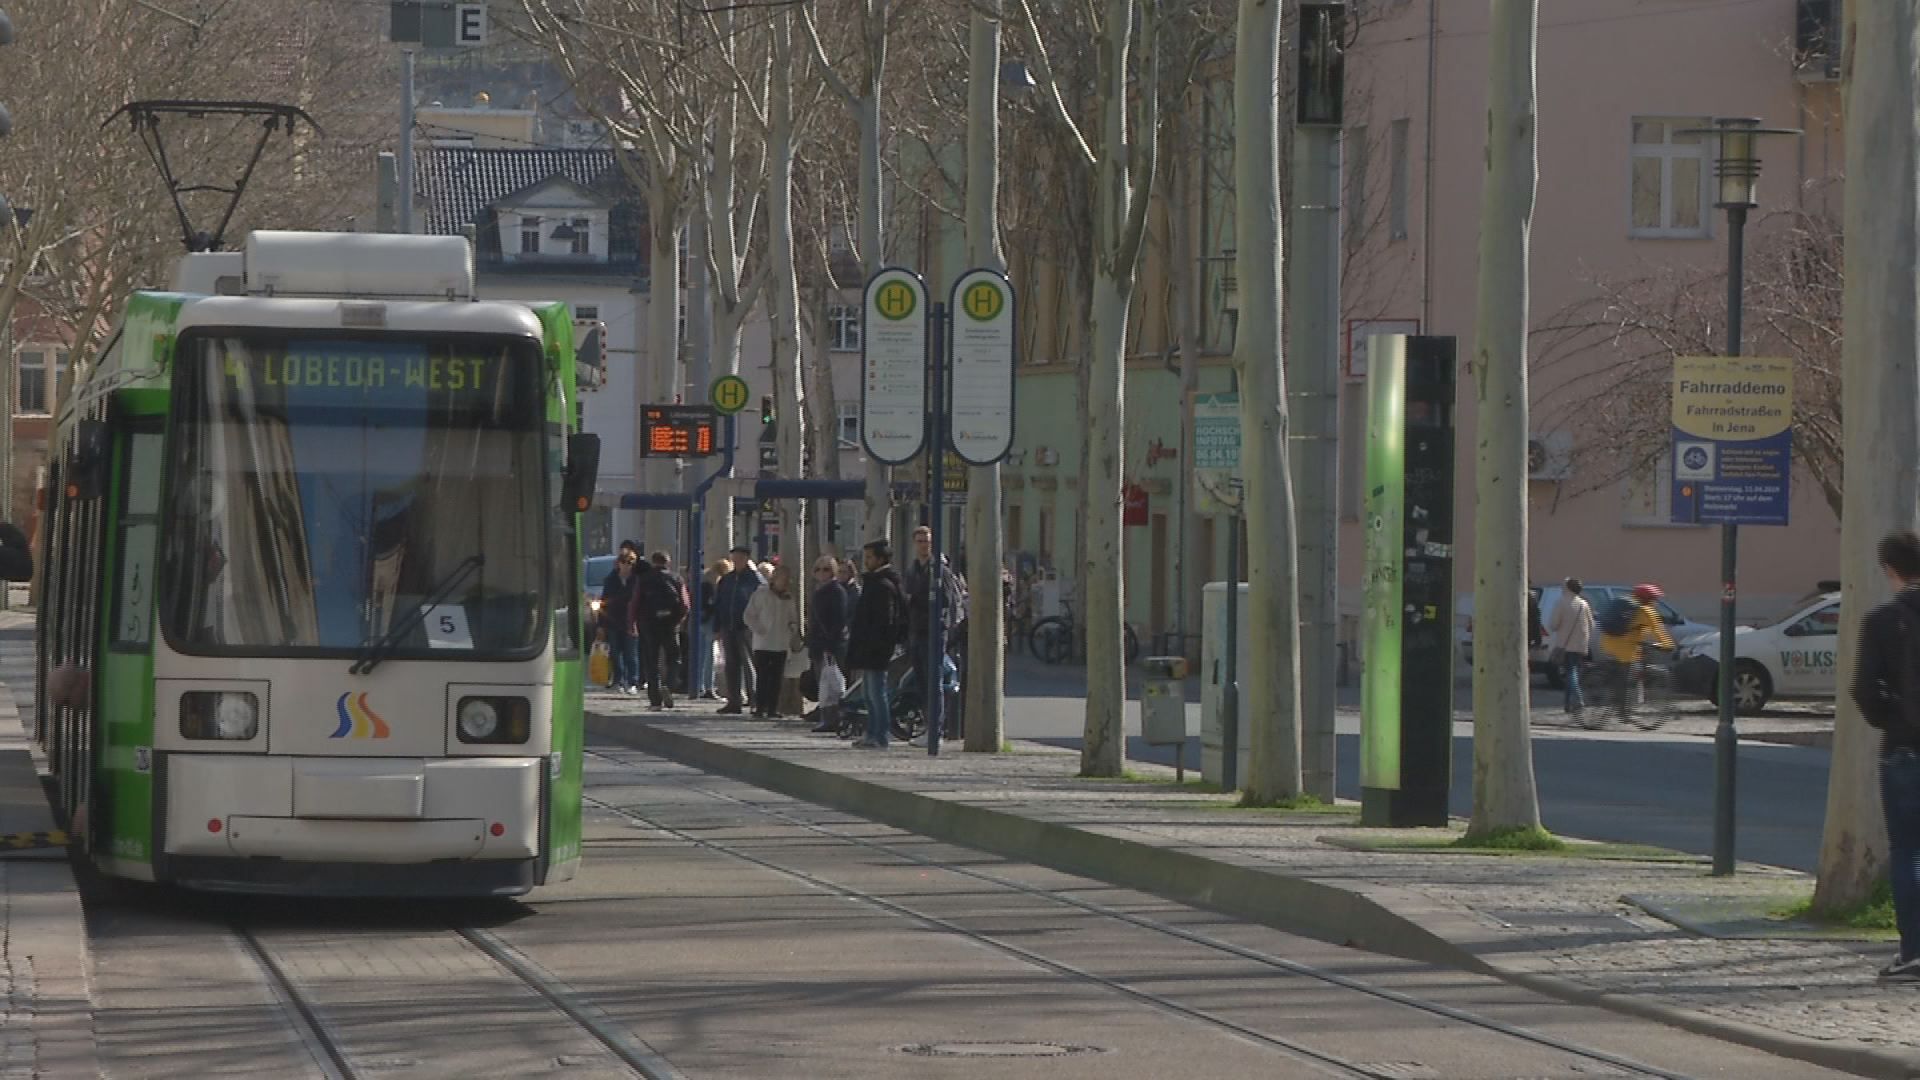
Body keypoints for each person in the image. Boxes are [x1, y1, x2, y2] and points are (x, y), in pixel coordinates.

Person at [1849, 530, 1920, 981]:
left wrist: (1893, 720)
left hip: (1904, 749)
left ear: (1891, 571)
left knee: (1909, 850)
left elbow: (1862, 690)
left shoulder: (1881, 621)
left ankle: (1914, 952)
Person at [904, 525, 968, 737]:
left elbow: (950, 603)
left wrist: (946, 629)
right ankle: (928, 725)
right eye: (920, 541)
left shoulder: (940, 571)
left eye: (927, 541)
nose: (924, 545)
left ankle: (936, 730)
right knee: (922, 682)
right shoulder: (913, 569)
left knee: (935, 681)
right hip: (916, 632)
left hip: (934, 632)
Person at [847, 539, 907, 749]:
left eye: (870, 558)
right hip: (869, 647)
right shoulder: (874, 582)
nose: (866, 562)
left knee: (876, 693)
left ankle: (879, 735)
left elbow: (886, 620)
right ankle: (871, 733)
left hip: (877, 648)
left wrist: (876, 643)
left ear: (881, 559)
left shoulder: (882, 585)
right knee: (868, 693)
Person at [1594, 582, 1673, 719]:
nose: (1655, 601)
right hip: (1624, 648)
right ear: (1648, 599)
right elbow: (1658, 630)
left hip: (1608, 642)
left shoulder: (1626, 603)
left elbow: (1639, 627)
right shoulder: (1646, 610)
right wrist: (1667, 645)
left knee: (1623, 674)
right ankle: (1622, 712)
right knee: (1624, 679)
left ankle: (1617, 700)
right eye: (1654, 598)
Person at [712, 546, 764, 714]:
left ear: (747, 558)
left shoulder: (755, 579)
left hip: (747, 628)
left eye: (740, 557)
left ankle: (754, 699)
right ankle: (734, 701)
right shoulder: (727, 580)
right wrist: (717, 626)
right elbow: (719, 604)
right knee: (731, 665)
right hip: (728, 626)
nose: (737, 561)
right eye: (734, 558)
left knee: (749, 664)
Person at [744, 563, 799, 719]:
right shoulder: (761, 594)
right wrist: (758, 628)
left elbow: (792, 617)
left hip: (781, 642)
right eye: (781, 578)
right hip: (763, 642)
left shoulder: (788, 598)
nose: (783, 582)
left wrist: (794, 628)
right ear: (774, 579)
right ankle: (760, 707)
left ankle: (773, 708)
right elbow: (748, 615)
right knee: (762, 676)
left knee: (776, 677)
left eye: (786, 579)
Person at [637, 551, 689, 710]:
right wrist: (678, 620)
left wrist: (634, 622)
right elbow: (685, 604)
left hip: (649, 624)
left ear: (653, 562)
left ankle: (655, 699)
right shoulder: (676, 579)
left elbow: (635, 602)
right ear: (668, 562)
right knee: (674, 658)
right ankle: (670, 684)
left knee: (651, 661)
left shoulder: (644, 579)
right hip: (670, 624)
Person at [808, 555, 851, 733]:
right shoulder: (818, 590)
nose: (822, 573)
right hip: (817, 642)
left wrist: (831, 643)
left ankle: (833, 718)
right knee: (823, 681)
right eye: (818, 569)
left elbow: (839, 620)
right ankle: (826, 716)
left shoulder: (836, 591)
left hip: (831, 643)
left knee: (833, 683)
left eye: (826, 569)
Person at [1547, 577, 1594, 718]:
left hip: (1565, 645)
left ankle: (1578, 699)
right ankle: (1567, 704)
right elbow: (1592, 624)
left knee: (1571, 671)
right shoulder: (1584, 604)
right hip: (1580, 644)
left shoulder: (1561, 602)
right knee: (1571, 672)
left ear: (1567, 588)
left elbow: (1554, 624)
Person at [599, 549, 644, 695]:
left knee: (631, 654)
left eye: (630, 562)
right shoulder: (610, 580)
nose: (627, 565)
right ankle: (618, 680)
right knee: (615, 653)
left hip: (631, 621)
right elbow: (603, 602)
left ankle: (633, 682)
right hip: (613, 620)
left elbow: (640, 602)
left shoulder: (637, 580)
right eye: (624, 562)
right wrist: (601, 624)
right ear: (618, 563)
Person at [696, 557, 731, 699]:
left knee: (702, 654)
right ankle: (708, 686)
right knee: (709, 655)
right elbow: (714, 605)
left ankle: (699, 685)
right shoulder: (714, 585)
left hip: (701, 621)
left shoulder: (703, 581)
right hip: (710, 621)